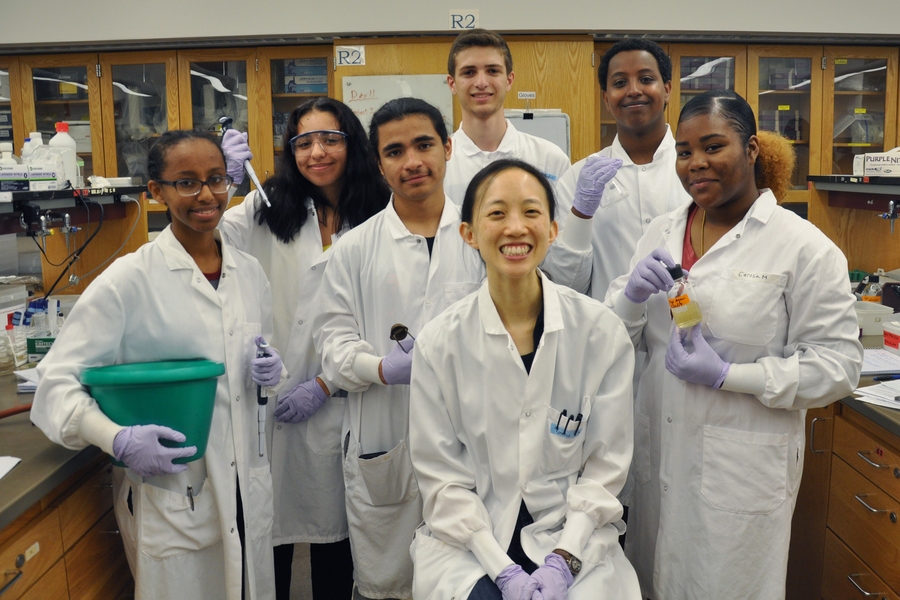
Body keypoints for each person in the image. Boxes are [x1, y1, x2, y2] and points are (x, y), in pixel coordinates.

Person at [605, 90, 863, 599]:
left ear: (751, 150)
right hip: (657, 454)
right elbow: (615, 340)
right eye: (683, 151)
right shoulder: (661, 230)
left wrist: (729, 375)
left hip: (741, 471)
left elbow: (839, 366)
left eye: (713, 145)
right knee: (650, 581)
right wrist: (630, 296)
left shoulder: (803, 247)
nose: (696, 162)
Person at [31, 129, 286, 599]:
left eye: (216, 178)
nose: (206, 195)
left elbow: (251, 357)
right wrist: (118, 439)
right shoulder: (128, 281)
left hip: (247, 488)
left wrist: (270, 369)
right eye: (186, 182)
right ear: (155, 192)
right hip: (174, 493)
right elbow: (54, 388)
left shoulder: (248, 272)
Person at [407, 159, 640, 600]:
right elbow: (443, 480)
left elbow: (604, 469)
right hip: (472, 539)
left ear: (553, 230)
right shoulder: (439, 343)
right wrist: (502, 572)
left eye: (531, 212)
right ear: (468, 234)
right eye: (496, 213)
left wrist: (564, 560)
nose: (516, 227)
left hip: (571, 531)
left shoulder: (599, 332)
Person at [219, 97, 390, 599]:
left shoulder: (381, 207)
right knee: (269, 532)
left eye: (330, 139)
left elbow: (387, 305)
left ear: (351, 142)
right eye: (303, 142)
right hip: (271, 394)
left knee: (336, 538)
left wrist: (327, 381)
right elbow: (215, 236)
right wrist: (228, 181)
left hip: (347, 394)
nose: (317, 152)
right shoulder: (269, 203)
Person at [314, 97, 484, 600]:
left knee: (468, 577)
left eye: (424, 144)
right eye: (395, 151)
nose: (412, 161)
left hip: (471, 437)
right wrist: (382, 368)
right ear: (379, 162)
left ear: (448, 148)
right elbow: (332, 344)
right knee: (387, 583)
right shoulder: (354, 249)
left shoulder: (482, 238)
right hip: (385, 437)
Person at [555, 38, 690, 299]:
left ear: (668, 90)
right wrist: (581, 215)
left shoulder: (697, 170)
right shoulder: (578, 179)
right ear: (606, 99)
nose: (633, 90)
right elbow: (566, 285)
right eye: (619, 83)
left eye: (646, 79)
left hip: (688, 333)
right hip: (610, 331)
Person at [444, 29, 571, 204]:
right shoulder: (439, 165)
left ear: (509, 80)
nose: (481, 83)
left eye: (493, 71)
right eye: (469, 72)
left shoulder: (549, 159)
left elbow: (563, 229)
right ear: (452, 84)